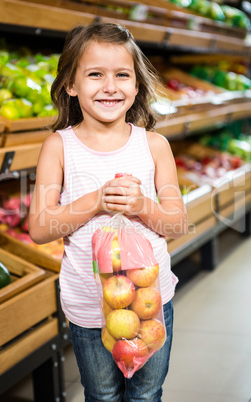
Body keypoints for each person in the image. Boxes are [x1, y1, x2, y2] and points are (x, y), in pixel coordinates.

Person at [29, 20, 188, 402]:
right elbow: (39, 228)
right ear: (71, 83)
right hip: (88, 305)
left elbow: (177, 223)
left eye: (122, 75)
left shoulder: (154, 145)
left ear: (137, 85)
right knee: (100, 394)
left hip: (150, 300)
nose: (110, 86)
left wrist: (140, 205)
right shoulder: (59, 147)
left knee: (147, 393)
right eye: (95, 74)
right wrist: (97, 200)